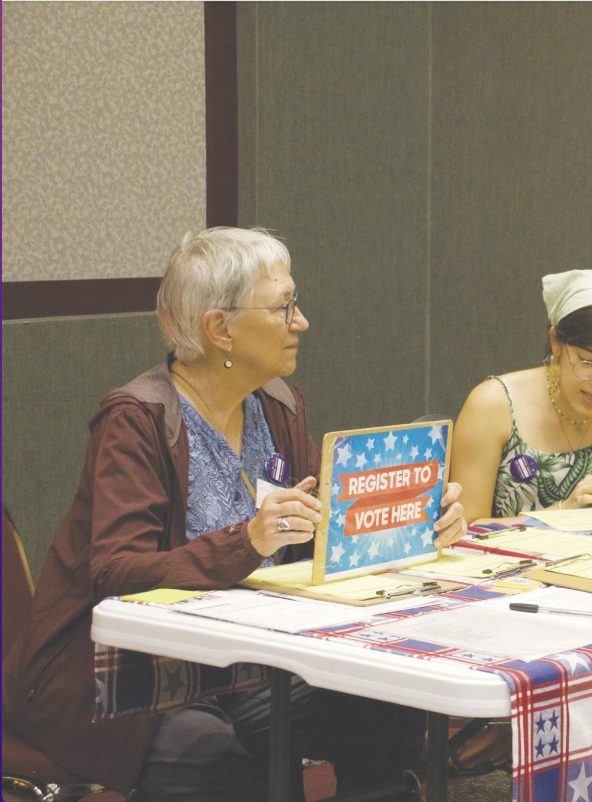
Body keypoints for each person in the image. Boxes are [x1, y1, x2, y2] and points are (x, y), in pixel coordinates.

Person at [3, 227, 467, 800]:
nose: (302, 322)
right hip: (125, 681)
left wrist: (418, 513)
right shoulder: (137, 420)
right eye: (284, 307)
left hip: (244, 665)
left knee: (384, 706)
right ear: (219, 328)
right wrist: (246, 540)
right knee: (219, 760)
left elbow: (325, 521)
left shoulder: (277, 404)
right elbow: (115, 572)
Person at [451, 269, 592, 523]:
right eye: (587, 361)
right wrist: (563, 510)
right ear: (556, 341)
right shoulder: (494, 404)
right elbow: (466, 528)